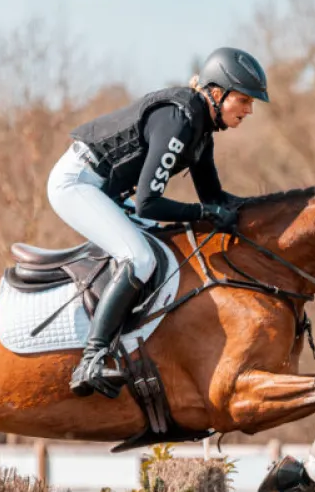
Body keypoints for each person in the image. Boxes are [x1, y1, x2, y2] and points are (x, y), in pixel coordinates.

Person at [47, 47, 269, 398]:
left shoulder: (200, 132)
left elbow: (215, 199)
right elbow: (149, 204)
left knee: (165, 251)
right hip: (77, 183)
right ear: (216, 93)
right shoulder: (179, 120)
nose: (249, 110)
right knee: (140, 259)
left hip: (106, 191)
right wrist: (204, 215)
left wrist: (265, 215)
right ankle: (92, 358)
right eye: (243, 100)